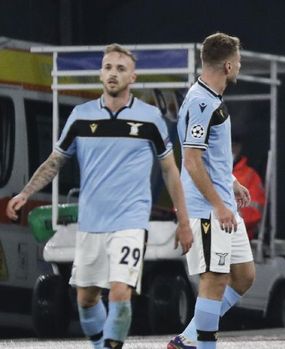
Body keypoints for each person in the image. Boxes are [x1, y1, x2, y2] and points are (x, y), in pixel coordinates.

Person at [5, 44, 193, 349]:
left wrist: (183, 221)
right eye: (107, 67)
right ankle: (99, 344)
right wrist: (26, 193)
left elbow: (170, 171)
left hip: (131, 220)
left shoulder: (150, 119)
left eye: (120, 68)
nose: (113, 73)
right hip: (91, 221)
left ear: (132, 76)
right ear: (100, 74)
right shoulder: (81, 116)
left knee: (120, 291)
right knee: (86, 298)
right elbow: (56, 160)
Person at [167, 32, 255, 349]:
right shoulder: (202, 102)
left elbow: (207, 155)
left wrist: (231, 182)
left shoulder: (210, 98)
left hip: (222, 201)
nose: (240, 66)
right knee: (214, 280)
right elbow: (191, 161)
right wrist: (218, 204)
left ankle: (189, 338)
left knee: (244, 276)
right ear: (229, 65)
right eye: (240, 62)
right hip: (208, 209)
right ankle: (201, 345)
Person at [232, 134, 266, 239]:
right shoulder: (207, 172)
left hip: (240, 237)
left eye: (233, 145)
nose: (229, 149)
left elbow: (256, 211)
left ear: (239, 147)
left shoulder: (251, 176)